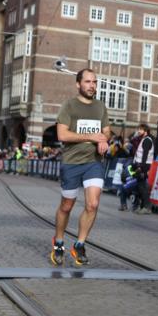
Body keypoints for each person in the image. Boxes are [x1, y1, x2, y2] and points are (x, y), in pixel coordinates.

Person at [51, 68, 111, 267]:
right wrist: (90, 137)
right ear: (78, 84)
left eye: (94, 82)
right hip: (72, 162)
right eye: (87, 82)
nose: (92, 86)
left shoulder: (100, 107)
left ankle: (79, 244)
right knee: (66, 206)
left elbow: (106, 132)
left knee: (92, 204)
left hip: (93, 162)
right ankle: (59, 241)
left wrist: (103, 141)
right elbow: (62, 135)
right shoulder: (69, 106)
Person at [129, 123, 155, 214]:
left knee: (142, 186)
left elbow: (145, 155)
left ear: (145, 131)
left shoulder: (147, 140)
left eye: (140, 129)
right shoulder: (143, 139)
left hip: (144, 165)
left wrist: (141, 167)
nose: (138, 131)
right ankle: (143, 206)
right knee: (141, 186)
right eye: (138, 129)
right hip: (142, 164)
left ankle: (147, 206)